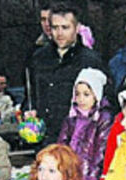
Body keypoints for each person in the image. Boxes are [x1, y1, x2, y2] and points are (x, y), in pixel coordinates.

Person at [24, 2, 108, 145]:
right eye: (55, 27)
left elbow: (104, 103)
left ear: (76, 28)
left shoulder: (91, 60)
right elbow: (30, 94)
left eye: (65, 27)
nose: (60, 33)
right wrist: (28, 111)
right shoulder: (38, 57)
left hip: (77, 139)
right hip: (44, 137)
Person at [57, 68, 113, 180]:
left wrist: (92, 177)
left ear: (96, 94)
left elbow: (101, 151)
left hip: (92, 175)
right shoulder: (71, 118)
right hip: (71, 171)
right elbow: (62, 144)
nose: (81, 99)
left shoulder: (102, 118)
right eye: (77, 94)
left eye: (86, 94)